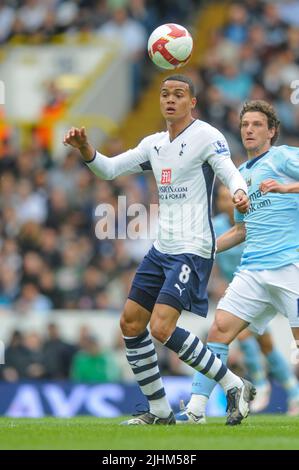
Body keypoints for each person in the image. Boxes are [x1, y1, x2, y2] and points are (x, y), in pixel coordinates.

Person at [63, 74, 255, 426]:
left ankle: (233, 383)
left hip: (192, 247)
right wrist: (86, 150)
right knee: (130, 323)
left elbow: (229, 171)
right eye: (165, 93)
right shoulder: (153, 144)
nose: (170, 99)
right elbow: (109, 169)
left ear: (192, 102)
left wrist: (240, 192)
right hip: (161, 248)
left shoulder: (207, 137)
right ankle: (161, 411)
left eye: (179, 94)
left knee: (161, 328)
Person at [176, 99, 299, 424]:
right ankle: (196, 411)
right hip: (253, 270)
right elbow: (241, 230)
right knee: (218, 331)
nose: (249, 130)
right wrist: (206, 247)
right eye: (245, 125)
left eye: (257, 125)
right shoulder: (240, 176)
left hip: (290, 266)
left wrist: (287, 189)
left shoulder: (284, 157)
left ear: (272, 131)